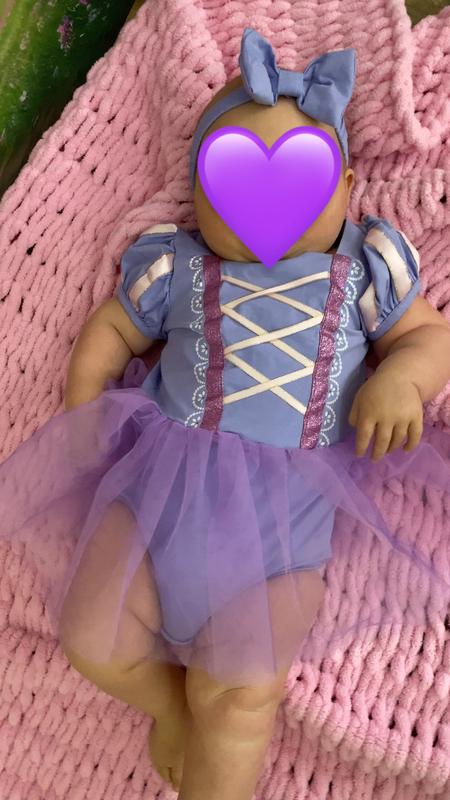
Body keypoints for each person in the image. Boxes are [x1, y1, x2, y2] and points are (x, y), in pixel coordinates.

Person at [2, 26, 450, 799]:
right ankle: (167, 707)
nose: (265, 209)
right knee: (89, 637)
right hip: (154, 498)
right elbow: (110, 330)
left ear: (345, 188)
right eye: (230, 181)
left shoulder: (362, 267)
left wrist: (402, 382)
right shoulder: (176, 264)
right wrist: (83, 413)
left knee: (241, 693)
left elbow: (429, 338)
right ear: (198, 193)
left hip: (283, 534)